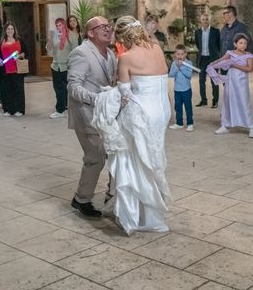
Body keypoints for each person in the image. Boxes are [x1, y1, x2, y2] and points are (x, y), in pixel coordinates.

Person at [107, 15, 171, 233]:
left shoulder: (126, 58)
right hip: (161, 111)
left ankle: (139, 216)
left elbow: (124, 95)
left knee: (134, 161)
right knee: (152, 157)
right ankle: (151, 212)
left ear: (124, 37)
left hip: (141, 113)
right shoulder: (157, 48)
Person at [67, 16, 117, 218]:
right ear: (90, 32)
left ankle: (112, 195)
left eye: (109, 26)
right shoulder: (81, 53)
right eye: (102, 26)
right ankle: (81, 199)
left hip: (106, 116)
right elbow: (73, 87)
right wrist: (97, 100)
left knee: (115, 153)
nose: (108, 29)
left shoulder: (111, 54)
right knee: (95, 157)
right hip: (86, 114)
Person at [210, 33, 253, 138]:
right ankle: (225, 125)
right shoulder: (230, 53)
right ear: (235, 44)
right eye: (240, 43)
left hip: (242, 82)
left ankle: (251, 127)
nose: (243, 45)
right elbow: (221, 60)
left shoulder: (248, 55)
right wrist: (212, 64)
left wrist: (234, 65)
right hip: (231, 82)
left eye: (245, 43)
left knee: (244, 102)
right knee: (228, 101)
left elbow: (249, 69)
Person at [47, 17, 78, 118]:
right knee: (58, 89)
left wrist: (74, 65)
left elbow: (75, 51)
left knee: (69, 89)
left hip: (68, 66)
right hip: (56, 66)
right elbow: (49, 49)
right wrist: (51, 38)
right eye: (56, 25)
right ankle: (60, 110)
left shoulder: (72, 35)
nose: (58, 27)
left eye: (60, 25)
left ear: (64, 25)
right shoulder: (55, 36)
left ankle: (70, 108)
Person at [0, 22, 27, 117]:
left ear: (14, 30)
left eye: (11, 29)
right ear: (5, 30)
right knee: (6, 90)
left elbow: (25, 52)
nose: (10, 31)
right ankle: (7, 110)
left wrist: (20, 55)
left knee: (18, 90)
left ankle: (19, 110)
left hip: (17, 70)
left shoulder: (19, 40)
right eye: (8, 29)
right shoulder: (1, 41)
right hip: (5, 70)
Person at [194, 13, 220, 108]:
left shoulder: (215, 31)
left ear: (209, 20)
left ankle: (215, 101)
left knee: (214, 80)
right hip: (202, 59)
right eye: (203, 19)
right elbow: (198, 44)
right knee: (201, 81)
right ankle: (203, 100)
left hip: (212, 59)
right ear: (201, 21)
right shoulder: (197, 32)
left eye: (206, 19)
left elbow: (219, 45)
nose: (205, 21)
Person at [169, 44, 194, 132]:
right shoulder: (174, 63)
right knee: (178, 107)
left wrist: (182, 67)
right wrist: (176, 67)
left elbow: (189, 75)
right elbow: (171, 75)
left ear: (185, 54)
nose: (180, 56)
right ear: (175, 55)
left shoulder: (189, 63)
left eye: (182, 54)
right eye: (178, 54)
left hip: (186, 89)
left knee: (188, 107)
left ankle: (190, 123)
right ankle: (179, 123)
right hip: (177, 90)